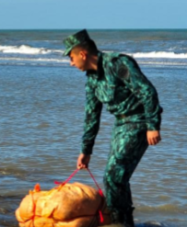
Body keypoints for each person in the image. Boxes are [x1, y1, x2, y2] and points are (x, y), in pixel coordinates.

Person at [64, 29, 163, 227]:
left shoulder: (118, 63)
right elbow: (92, 116)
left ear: (83, 54)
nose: (71, 63)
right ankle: (124, 222)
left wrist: (153, 126)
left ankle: (119, 223)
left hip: (140, 121)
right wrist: (86, 151)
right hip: (121, 124)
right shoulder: (92, 80)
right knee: (117, 177)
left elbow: (147, 91)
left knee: (113, 175)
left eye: (72, 57)